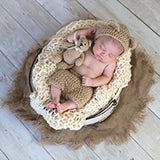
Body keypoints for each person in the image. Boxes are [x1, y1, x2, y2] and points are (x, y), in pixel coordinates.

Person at [47, 20, 135, 113]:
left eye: (110, 55)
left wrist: (92, 82)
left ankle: (65, 106)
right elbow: (70, 39)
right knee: (58, 76)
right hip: (69, 74)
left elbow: (106, 78)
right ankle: (55, 100)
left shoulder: (110, 63)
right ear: (96, 40)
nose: (103, 54)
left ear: (116, 56)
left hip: (84, 86)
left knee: (86, 95)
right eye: (102, 48)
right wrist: (85, 32)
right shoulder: (87, 45)